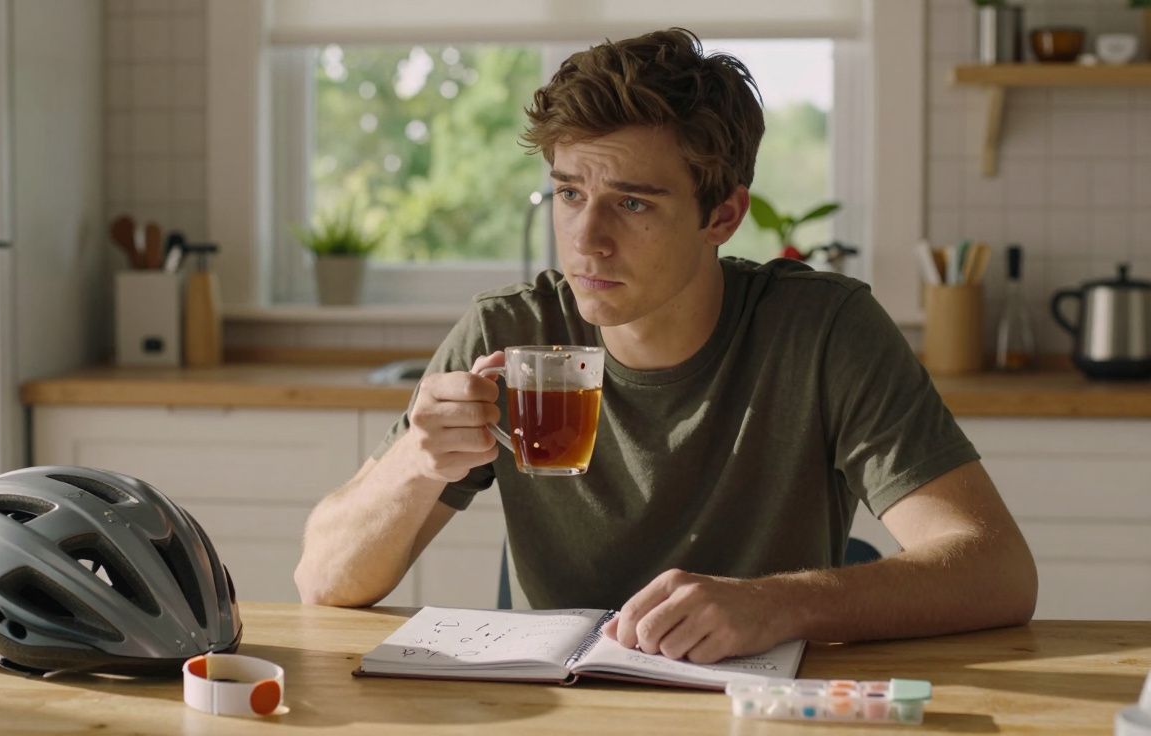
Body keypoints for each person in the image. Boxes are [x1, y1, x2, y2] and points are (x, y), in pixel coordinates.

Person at [294, 28, 1038, 664]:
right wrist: (413, 465)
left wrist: (779, 605)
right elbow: (322, 581)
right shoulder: (508, 334)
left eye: (633, 202)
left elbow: (996, 569)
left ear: (723, 214)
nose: (587, 240)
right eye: (569, 194)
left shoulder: (821, 331)